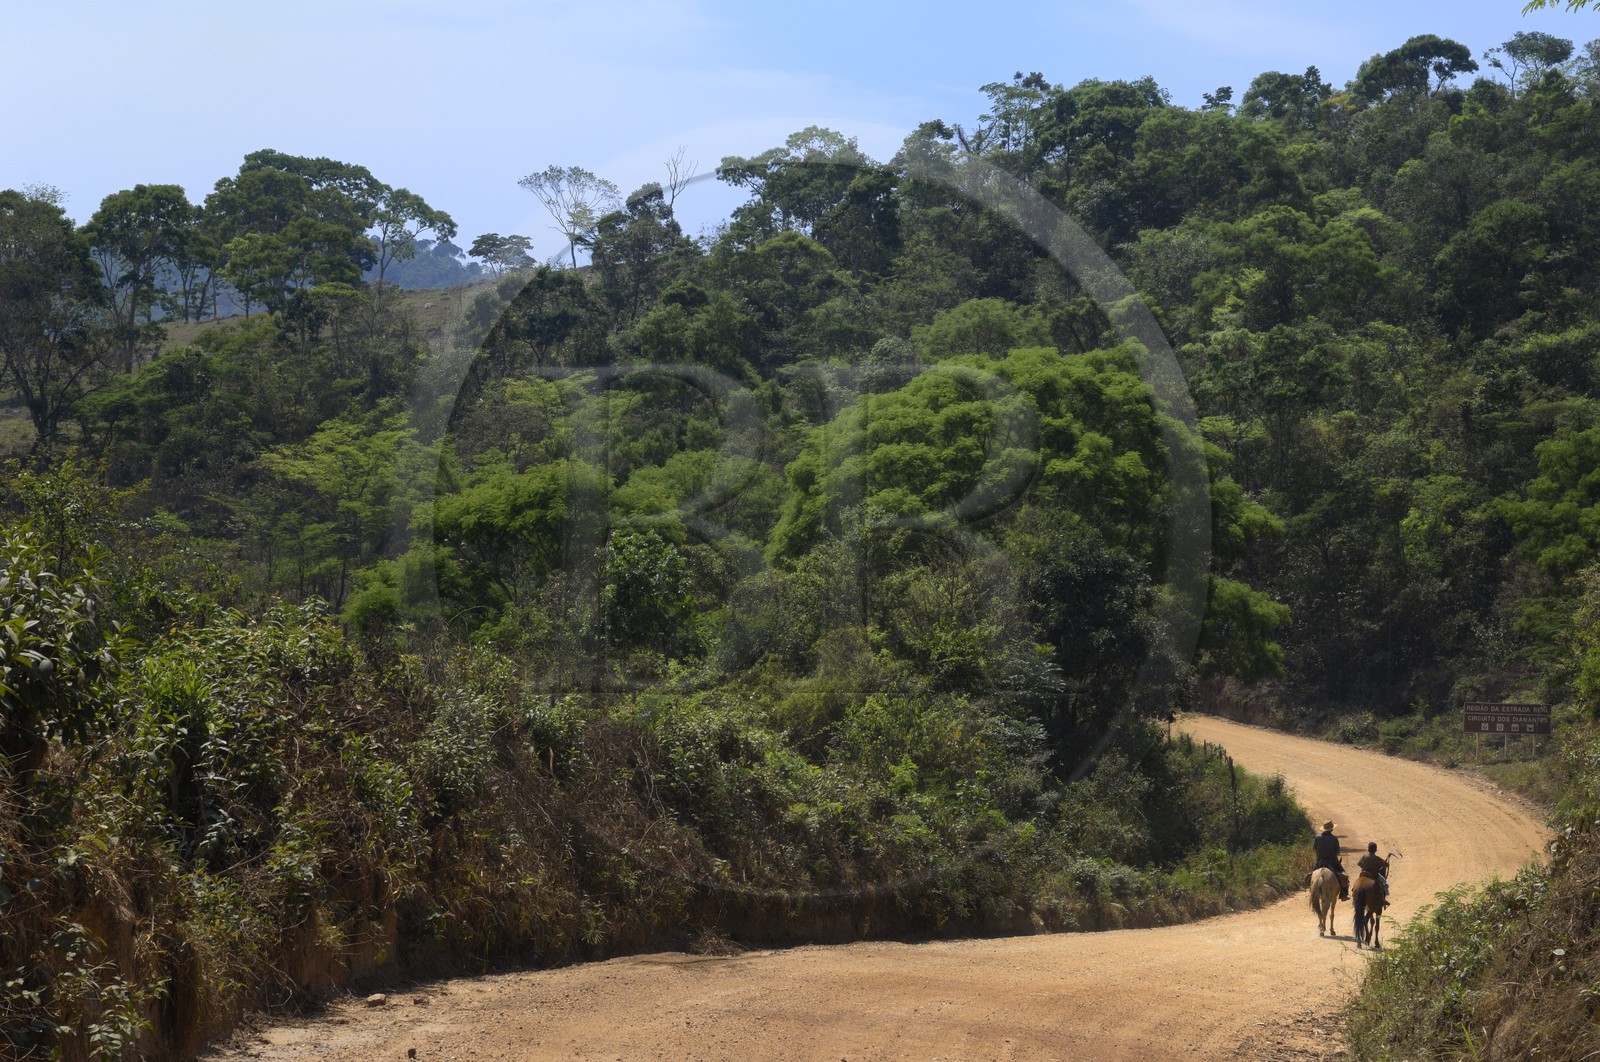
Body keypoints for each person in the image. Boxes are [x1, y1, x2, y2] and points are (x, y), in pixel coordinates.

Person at [1312, 820, 1349, 901]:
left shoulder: (1318, 838)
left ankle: (1311, 889)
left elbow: (1314, 848)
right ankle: (1344, 894)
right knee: (1344, 876)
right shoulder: (1334, 839)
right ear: (1332, 829)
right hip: (1333, 863)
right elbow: (1337, 853)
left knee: (1311, 874)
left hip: (1319, 862)